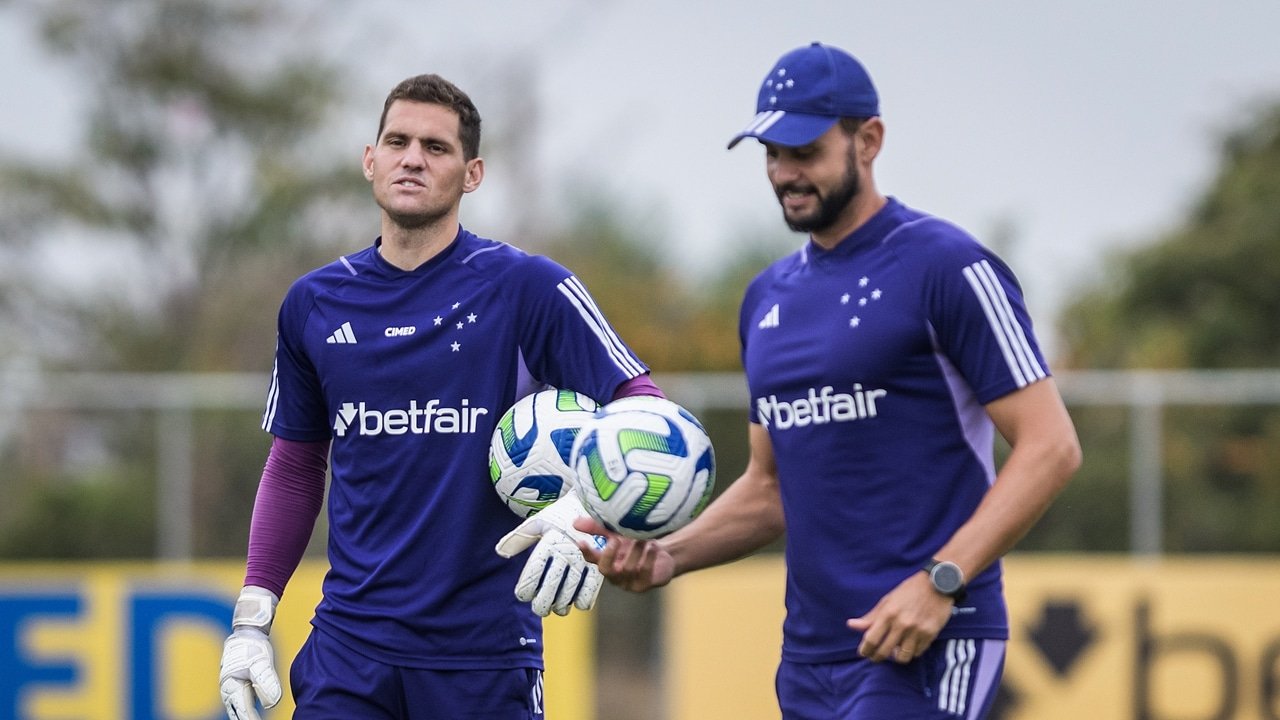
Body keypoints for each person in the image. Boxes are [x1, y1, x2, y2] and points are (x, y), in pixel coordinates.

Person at [577, 42, 1082, 719]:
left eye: (804, 150)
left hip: (931, 640)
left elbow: (1051, 447)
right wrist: (668, 555)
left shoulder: (949, 267)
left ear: (868, 140)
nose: (785, 172)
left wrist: (941, 582)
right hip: (811, 660)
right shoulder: (764, 300)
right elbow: (769, 488)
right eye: (771, 154)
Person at [217, 73, 661, 720]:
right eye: (396, 141)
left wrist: (585, 510)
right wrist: (253, 617)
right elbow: (294, 464)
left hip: (483, 658)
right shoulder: (312, 303)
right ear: (370, 160)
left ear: (472, 173)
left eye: (436, 146)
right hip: (348, 652)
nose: (412, 158)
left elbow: (644, 407)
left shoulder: (529, 288)